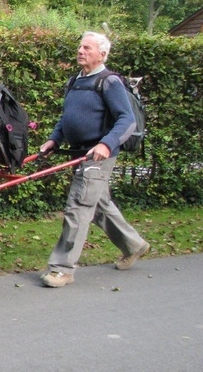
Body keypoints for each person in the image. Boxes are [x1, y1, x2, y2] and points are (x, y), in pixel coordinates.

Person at [39, 31, 149, 288]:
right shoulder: (76, 81)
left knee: (78, 207)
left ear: (102, 54)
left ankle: (62, 269)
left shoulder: (109, 82)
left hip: (98, 155)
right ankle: (134, 245)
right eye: (80, 47)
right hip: (80, 152)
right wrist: (54, 139)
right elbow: (66, 118)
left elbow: (127, 120)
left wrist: (106, 144)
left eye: (87, 48)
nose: (81, 51)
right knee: (99, 205)